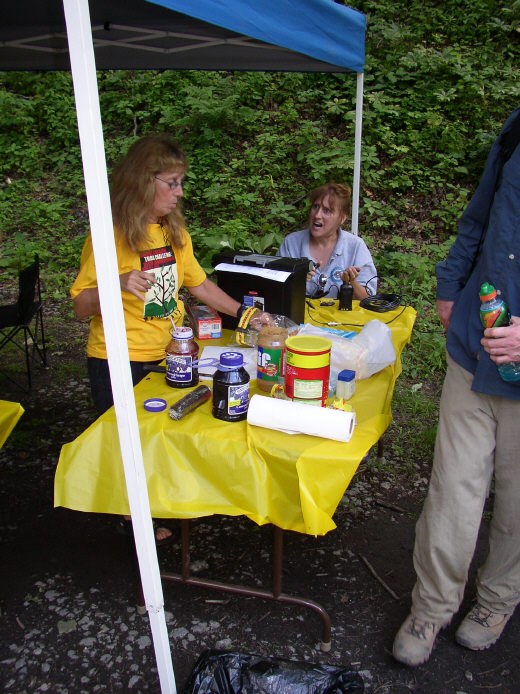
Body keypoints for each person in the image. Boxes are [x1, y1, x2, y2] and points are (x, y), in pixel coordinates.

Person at [71, 134, 263, 543]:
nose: (179, 193)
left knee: (161, 438)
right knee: (128, 445)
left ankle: (155, 506)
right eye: (171, 182)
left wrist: (246, 315)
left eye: (180, 182)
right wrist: (116, 281)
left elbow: (200, 286)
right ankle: (134, 527)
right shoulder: (110, 235)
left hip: (169, 355)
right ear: (144, 180)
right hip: (117, 359)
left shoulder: (172, 231)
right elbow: (81, 306)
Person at [393, 107, 520, 667]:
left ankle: (496, 602)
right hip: (473, 351)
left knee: (517, 506)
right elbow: (480, 217)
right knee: (453, 492)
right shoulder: (518, 128)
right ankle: (432, 607)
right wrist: (450, 286)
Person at [277, 182, 377, 300]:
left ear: (342, 218)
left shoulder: (355, 246)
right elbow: (276, 291)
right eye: (315, 206)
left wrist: (351, 282)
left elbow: (368, 300)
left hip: (343, 318)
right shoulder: (291, 243)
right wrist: (297, 281)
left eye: (327, 210)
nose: (317, 215)